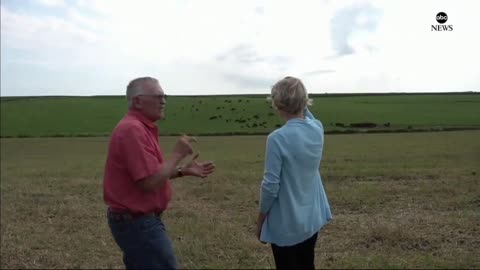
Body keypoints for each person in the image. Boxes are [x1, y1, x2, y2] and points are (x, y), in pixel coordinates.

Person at [103, 76, 215, 269]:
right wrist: (178, 154)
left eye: (165, 96)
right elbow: (149, 181)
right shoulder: (132, 130)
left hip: (138, 222)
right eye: (158, 96)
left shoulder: (138, 128)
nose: (163, 101)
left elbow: (152, 173)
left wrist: (182, 171)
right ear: (137, 101)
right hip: (138, 224)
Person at [255, 76, 332, 270]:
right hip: (311, 219)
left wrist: (261, 219)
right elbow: (307, 115)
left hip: (286, 225)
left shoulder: (277, 139)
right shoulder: (317, 128)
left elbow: (270, 185)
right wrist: (299, 97)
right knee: (307, 264)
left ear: (277, 104)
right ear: (304, 101)